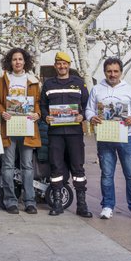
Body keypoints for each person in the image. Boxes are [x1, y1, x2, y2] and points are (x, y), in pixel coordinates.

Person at [86, 57, 131, 221]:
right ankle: (107, 206)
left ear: (120, 72)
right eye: (109, 71)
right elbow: (89, 110)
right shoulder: (97, 89)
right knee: (106, 174)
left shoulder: (130, 89)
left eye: (115, 71)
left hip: (126, 137)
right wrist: (92, 118)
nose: (112, 74)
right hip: (105, 138)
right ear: (104, 72)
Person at [39, 51, 92, 218]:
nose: (62, 66)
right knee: (56, 168)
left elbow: (86, 104)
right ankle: (57, 203)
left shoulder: (78, 83)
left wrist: (82, 115)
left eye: (64, 63)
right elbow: (42, 105)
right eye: (59, 63)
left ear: (69, 65)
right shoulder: (48, 85)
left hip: (75, 133)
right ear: (55, 66)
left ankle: (82, 205)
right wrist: (45, 116)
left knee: (78, 168)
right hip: (55, 134)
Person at [0, 47, 41, 215]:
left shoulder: (33, 80)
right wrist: (2, 112)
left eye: (20, 59)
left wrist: (37, 114)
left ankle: (29, 201)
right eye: (14, 59)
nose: (17, 62)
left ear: (25, 61)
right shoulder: (4, 80)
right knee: (7, 165)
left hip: (27, 128)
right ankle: (10, 201)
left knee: (27, 166)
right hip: (9, 128)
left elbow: (39, 103)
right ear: (10, 62)